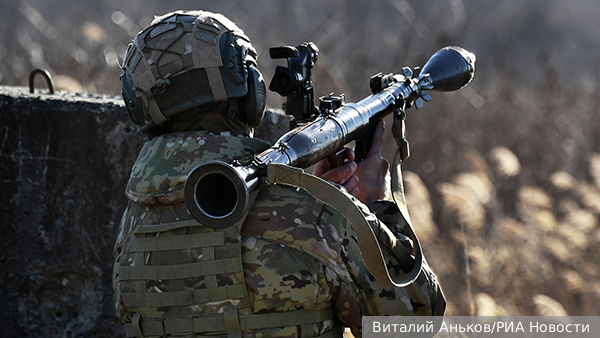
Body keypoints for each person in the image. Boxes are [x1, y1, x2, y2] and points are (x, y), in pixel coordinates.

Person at [113, 10, 445, 338]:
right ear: (248, 91)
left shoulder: (132, 225)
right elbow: (416, 324)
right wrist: (373, 206)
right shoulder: (316, 219)